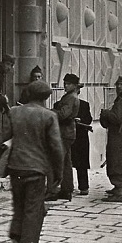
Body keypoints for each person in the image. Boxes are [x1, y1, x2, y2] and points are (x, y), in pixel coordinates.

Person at [0, 80, 64, 243]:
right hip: (36, 169)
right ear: (46, 96)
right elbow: (56, 148)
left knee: (18, 205)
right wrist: (58, 173)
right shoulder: (49, 116)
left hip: (16, 166)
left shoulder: (14, 111)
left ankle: (16, 237)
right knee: (33, 209)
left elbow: (3, 139)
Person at [47, 73, 80, 201]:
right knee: (66, 162)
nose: (65, 86)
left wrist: (50, 112)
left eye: (68, 84)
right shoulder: (70, 96)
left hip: (64, 132)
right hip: (67, 133)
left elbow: (63, 115)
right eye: (65, 83)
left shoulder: (70, 98)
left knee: (55, 161)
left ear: (75, 85)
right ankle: (66, 189)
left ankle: (52, 190)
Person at [0, 54, 15, 167]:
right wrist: (4, 102)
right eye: (7, 64)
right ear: (1, 63)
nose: (9, 68)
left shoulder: (2, 74)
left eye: (11, 65)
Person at [71, 84, 92, 196]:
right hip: (68, 136)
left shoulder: (84, 105)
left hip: (81, 137)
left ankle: (84, 187)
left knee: (82, 164)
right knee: (66, 163)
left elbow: (88, 119)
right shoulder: (60, 104)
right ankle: (66, 186)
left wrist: (81, 120)